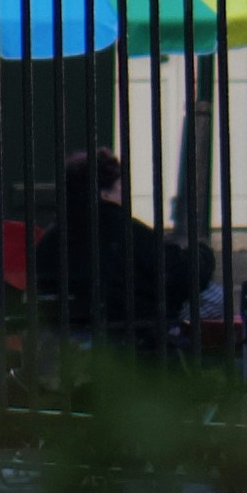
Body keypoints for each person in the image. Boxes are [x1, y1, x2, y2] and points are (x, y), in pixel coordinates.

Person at [28, 142, 214, 355]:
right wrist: (202, 254)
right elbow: (181, 275)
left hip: (68, 338)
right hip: (131, 335)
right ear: (104, 194)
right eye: (120, 187)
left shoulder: (50, 238)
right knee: (215, 297)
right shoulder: (124, 231)